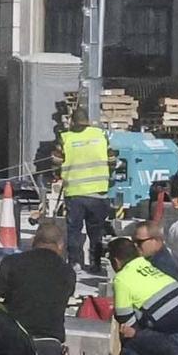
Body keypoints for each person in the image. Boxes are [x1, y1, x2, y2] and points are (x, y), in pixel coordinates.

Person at [0, 219, 76, 355]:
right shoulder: (68, 272)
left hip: (14, 339)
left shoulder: (11, 263)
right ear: (61, 245)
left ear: (33, 241)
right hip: (50, 344)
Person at [53, 111, 111, 271]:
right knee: (96, 232)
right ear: (88, 121)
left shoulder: (66, 137)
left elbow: (56, 161)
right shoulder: (100, 135)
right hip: (98, 192)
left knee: (74, 231)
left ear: (72, 122)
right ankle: (96, 263)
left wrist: (57, 173)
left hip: (75, 192)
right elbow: (112, 159)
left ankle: (75, 262)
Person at [131, 219, 178, 286]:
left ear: (155, 240)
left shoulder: (163, 266)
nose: (135, 245)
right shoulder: (153, 259)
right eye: (133, 241)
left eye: (139, 242)